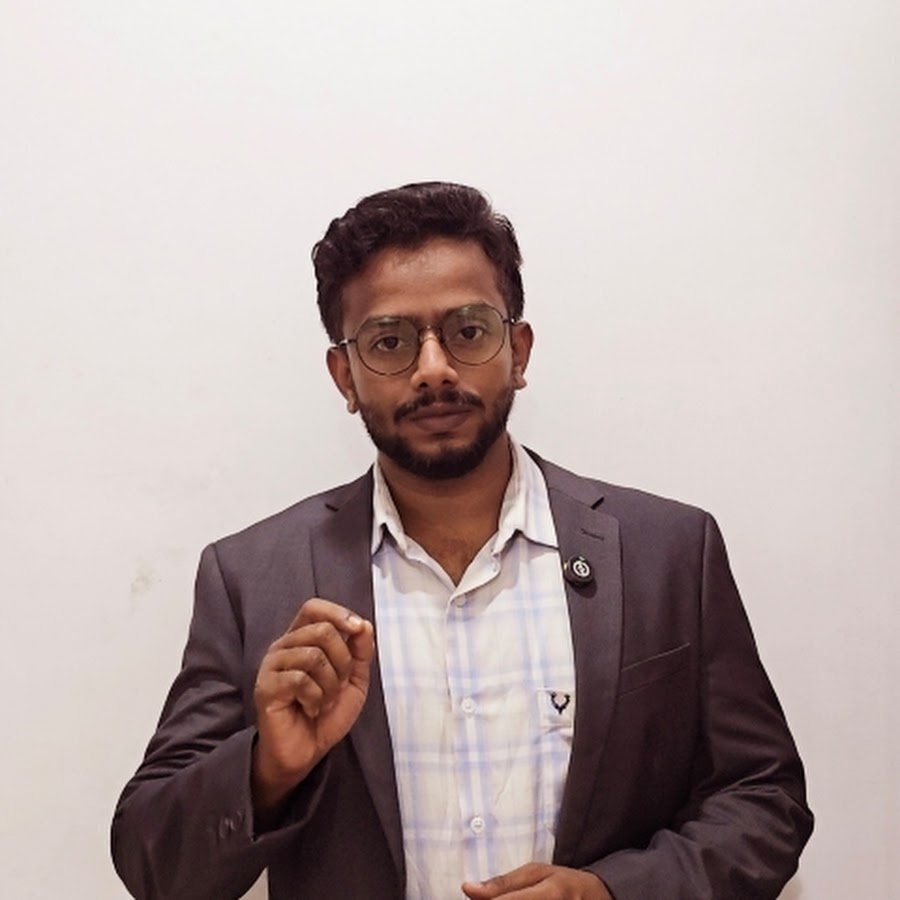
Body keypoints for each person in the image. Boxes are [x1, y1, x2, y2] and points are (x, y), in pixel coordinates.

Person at [111, 182, 813, 900]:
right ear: (345, 375)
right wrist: (268, 769)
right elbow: (153, 866)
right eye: (390, 342)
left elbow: (764, 801)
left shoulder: (669, 554)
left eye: (468, 330)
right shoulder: (253, 579)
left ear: (519, 350)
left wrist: (610, 894)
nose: (434, 368)